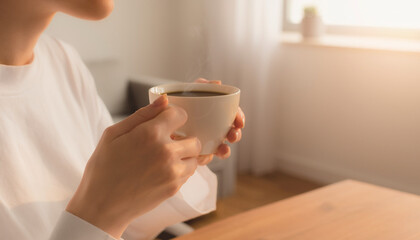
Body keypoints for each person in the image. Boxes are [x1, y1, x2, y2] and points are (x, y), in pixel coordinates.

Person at [0, 0, 245, 239]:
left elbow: (126, 226)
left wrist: (178, 148)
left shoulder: (64, 61)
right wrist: (101, 211)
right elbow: (106, 215)